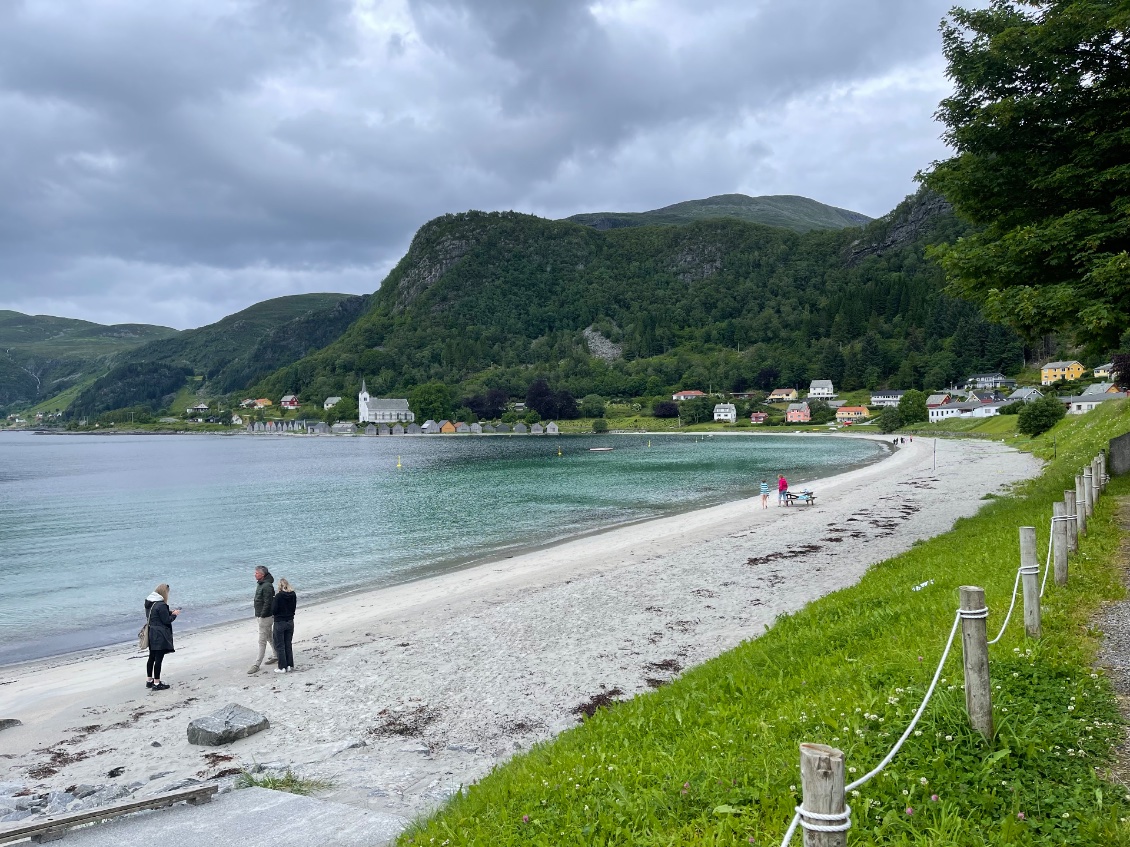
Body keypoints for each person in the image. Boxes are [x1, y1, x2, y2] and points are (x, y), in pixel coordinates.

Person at [144, 584, 179, 691]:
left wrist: (169, 612)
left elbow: (155, 614)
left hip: (151, 632)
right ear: (164, 593)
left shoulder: (150, 602)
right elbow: (166, 620)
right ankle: (157, 683)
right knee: (158, 659)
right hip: (159, 634)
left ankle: (149, 680)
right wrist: (175, 614)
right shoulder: (161, 604)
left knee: (151, 657)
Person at [248, 566, 277, 674]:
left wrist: (263, 615)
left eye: (256, 573)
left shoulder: (267, 586)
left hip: (265, 617)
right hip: (261, 615)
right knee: (269, 636)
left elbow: (268, 602)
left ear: (262, 575)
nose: (254, 574)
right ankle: (276, 655)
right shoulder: (261, 584)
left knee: (262, 641)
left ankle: (257, 664)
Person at [271, 578, 297, 673]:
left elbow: (274, 610)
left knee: (280, 645)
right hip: (290, 620)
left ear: (279, 586)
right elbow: (293, 607)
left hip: (280, 622)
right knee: (288, 644)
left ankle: (282, 667)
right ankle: (290, 665)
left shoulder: (278, 596)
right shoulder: (293, 595)